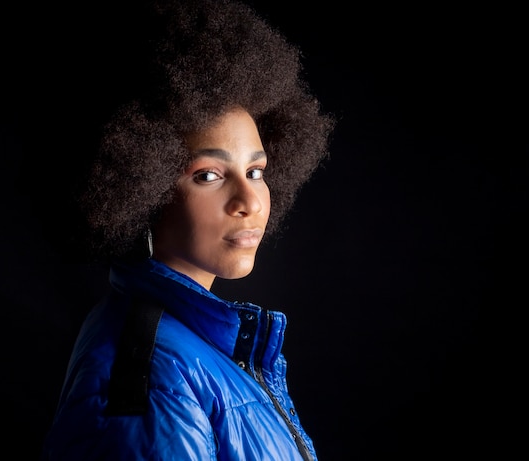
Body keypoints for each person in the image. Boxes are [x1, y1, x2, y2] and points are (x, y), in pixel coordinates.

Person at [40, 0, 334, 460]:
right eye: (208, 175)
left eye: (256, 171)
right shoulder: (153, 373)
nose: (249, 201)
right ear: (140, 184)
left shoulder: (190, 340)